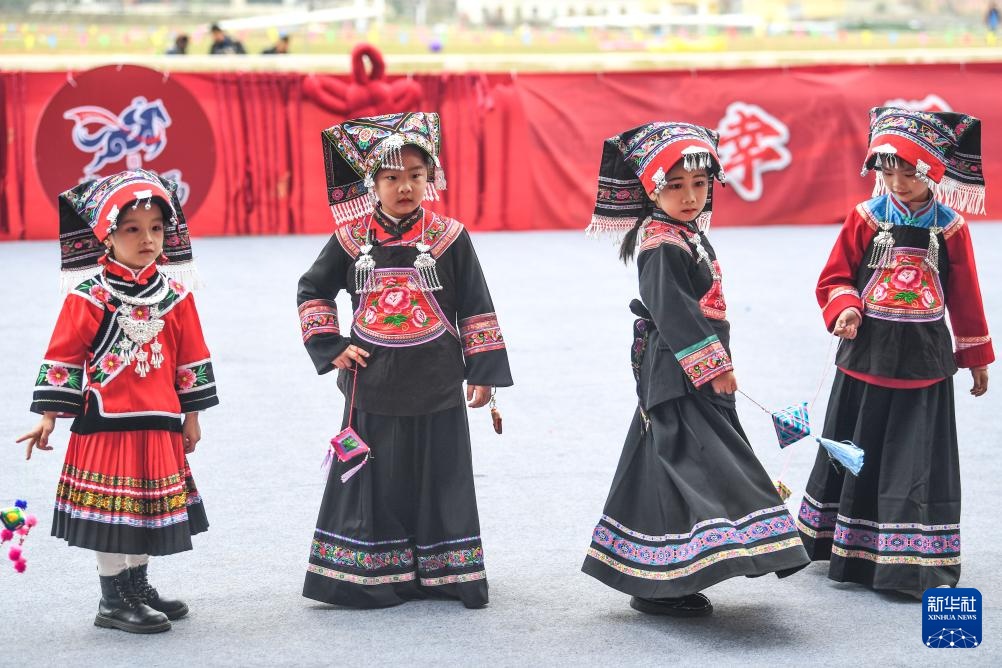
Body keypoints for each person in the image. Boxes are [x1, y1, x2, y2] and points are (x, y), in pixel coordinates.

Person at [581, 122, 809, 617]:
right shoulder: (661, 242)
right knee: (699, 461)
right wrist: (712, 366)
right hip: (678, 370)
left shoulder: (683, 234)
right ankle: (675, 574)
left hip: (684, 368)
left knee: (671, 464)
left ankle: (661, 576)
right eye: (675, 185)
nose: (690, 196)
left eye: (700, 185)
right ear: (651, 189)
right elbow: (674, 311)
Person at [297, 112, 513, 609]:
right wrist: (331, 347)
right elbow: (312, 289)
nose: (404, 187)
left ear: (431, 179)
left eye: (416, 176)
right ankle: (372, 577)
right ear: (373, 183)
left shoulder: (451, 237)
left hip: (438, 380)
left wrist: (484, 373)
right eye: (392, 177)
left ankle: (446, 575)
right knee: (377, 480)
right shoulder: (351, 237)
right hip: (372, 381)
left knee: (442, 477)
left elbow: (477, 304)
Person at [796, 107, 993, 598]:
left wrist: (976, 357)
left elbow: (966, 294)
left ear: (933, 172)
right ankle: (846, 549)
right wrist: (845, 308)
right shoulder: (865, 218)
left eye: (910, 172)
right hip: (866, 357)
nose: (898, 182)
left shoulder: (950, 228)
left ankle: (907, 563)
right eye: (888, 172)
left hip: (923, 361)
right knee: (857, 448)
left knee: (913, 459)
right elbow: (834, 277)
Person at [16, 169, 217, 633]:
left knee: (144, 508)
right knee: (113, 512)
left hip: (160, 419)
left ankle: (137, 586)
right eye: (132, 229)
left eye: (156, 229)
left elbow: (192, 356)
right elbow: (63, 354)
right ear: (106, 237)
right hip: (107, 423)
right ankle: (112, 596)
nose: (147, 239)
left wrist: (192, 415)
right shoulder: (89, 297)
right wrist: (48, 415)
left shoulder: (175, 296)